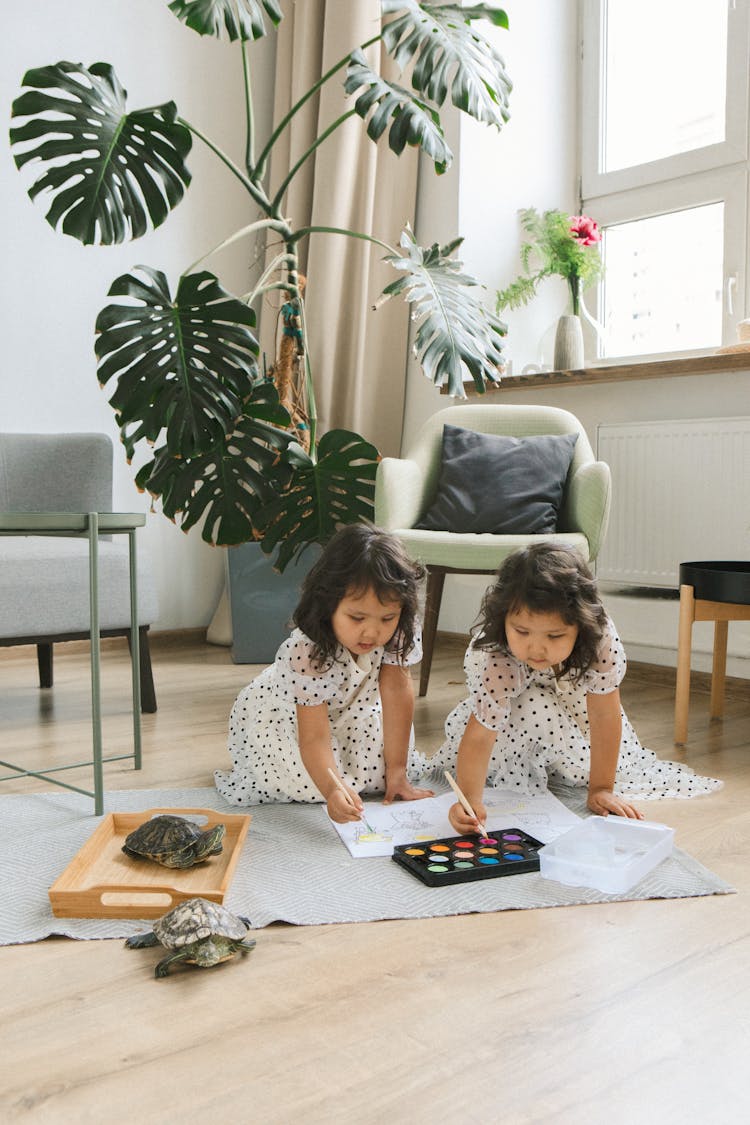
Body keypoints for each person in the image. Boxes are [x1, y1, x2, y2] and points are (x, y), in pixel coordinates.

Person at [412, 542, 722, 835]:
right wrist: (469, 800)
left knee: (576, 738)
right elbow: (481, 733)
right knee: (533, 704)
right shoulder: (498, 657)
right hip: (516, 712)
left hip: (575, 705)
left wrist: (601, 788)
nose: (537, 648)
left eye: (555, 636)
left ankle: (562, 766)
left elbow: (603, 714)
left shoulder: (598, 639)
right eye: (522, 631)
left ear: (580, 626)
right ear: (503, 617)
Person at [215, 524, 434, 821]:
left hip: (351, 710)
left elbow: (396, 693)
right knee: (312, 785)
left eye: (388, 617)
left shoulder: (398, 632)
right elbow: (314, 737)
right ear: (328, 603)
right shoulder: (308, 652)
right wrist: (332, 790)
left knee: (382, 776)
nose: (372, 631)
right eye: (357, 617)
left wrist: (398, 771)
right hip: (293, 717)